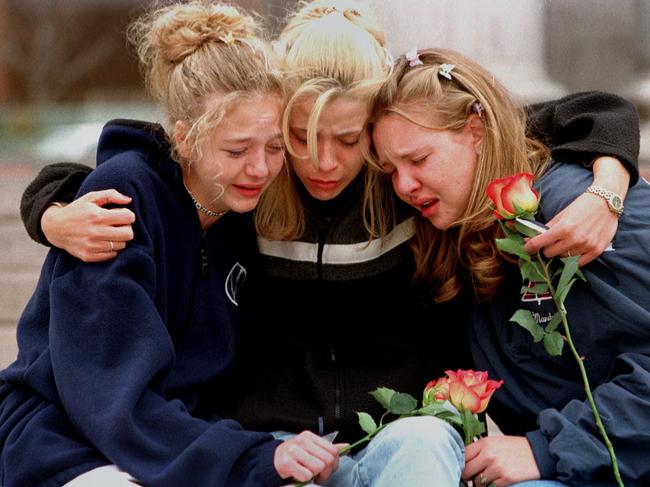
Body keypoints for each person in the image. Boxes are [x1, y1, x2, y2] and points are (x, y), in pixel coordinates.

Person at [17, 1, 643, 485]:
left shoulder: (403, 177)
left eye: (348, 139)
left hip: (399, 438)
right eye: (298, 136)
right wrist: (51, 209)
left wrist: (609, 183)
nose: (323, 162)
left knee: (424, 446)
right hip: (266, 448)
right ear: (277, 118)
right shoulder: (255, 181)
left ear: (373, 126)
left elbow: (575, 115)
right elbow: (156, 166)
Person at [0, 2, 348, 486]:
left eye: (274, 147)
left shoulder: (243, 212)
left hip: (178, 441)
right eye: (237, 149)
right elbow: (111, 399)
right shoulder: (122, 202)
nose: (261, 168)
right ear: (183, 139)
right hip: (64, 439)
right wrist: (247, 458)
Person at [368, 46, 649, 486]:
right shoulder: (458, 238)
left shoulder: (570, 212)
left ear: (476, 131)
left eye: (418, 160)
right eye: (390, 171)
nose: (404, 184)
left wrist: (546, 449)